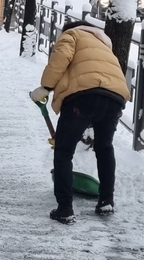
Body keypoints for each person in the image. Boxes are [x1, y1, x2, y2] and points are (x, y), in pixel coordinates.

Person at [30, 20, 130, 224]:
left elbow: (60, 58)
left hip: (83, 97)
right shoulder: (103, 43)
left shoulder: (73, 34)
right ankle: (106, 201)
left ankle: (65, 208)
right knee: (104, 148)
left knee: (64, 152)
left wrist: (45, 87)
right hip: (115, 99)